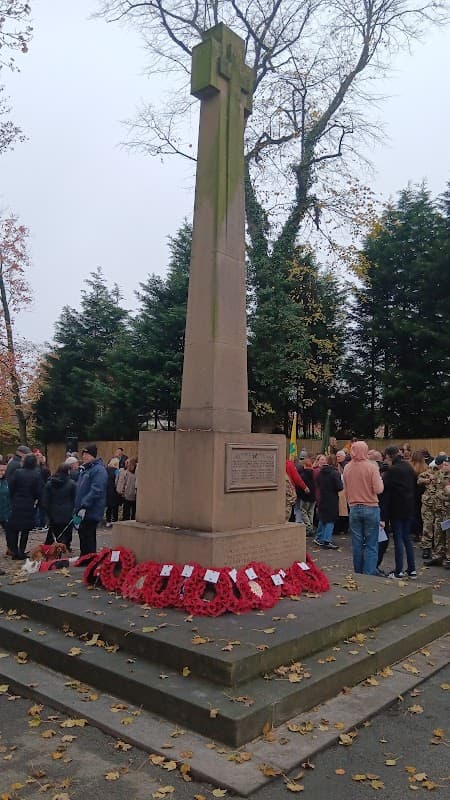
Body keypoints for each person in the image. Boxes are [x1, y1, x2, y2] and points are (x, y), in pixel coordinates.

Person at [342, 441, 384, 576]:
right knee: (372, 544)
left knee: (357, 544)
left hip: (354, 507)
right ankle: (369, 573)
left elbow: (346, 490)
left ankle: (358, 573)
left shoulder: (347, 468)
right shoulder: (371, 467)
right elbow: (378, 489)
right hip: (371, 507)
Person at [382, 445, 417, 579]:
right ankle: (412, 569)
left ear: (390, 456)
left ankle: (398, 570)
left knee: (398, 539)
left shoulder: (393, 471)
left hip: (397, 509)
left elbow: (384, 489)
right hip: (409, 507)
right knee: (407, 538)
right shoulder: (409, 467)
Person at [6, 453, 42, 560]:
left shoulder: (18, 473)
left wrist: (13, 497)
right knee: (25, 530)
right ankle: (21, 551)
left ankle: (15, 551)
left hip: (16, 503)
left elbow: (11, 487)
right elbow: (38, 491)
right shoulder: (36, 474)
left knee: (14, 528)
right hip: (28, 504)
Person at [73, 445, 108, 556]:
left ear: (93, 455)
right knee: (82, 534)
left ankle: (90, 558)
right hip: (81, 509)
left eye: (87, 454)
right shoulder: (85, 469)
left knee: (88, 535)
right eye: (83, 454)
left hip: (90, 510)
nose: (84, 456)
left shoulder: (98, 470)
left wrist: (85, 504)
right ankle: (84, 556)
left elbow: (96, 490)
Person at [420, 455, 450, 567]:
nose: (444, 467)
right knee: (438, 534)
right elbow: (422, 478)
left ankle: (448, 559)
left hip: (448, 511)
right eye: (444, 465)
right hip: (438, 510)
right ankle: (437, 557)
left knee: (448, 536)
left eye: (446, 465)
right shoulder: (439, 474)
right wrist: (427, 479)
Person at [42, 462, 77, 549]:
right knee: (66, 531)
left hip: (53, 511)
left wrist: (47, 512)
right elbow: (75, 498)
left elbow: (45, 500)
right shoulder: (72, 484)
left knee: (53, 530)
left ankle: (49, 546)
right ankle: (65, 546)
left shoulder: (49, 483)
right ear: (68, 471)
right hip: (67, 512)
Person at [313, 455, 342, 549]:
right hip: (332, 498)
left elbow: (317, 482)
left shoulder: (320, 473)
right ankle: (327, 540)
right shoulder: (334, 473)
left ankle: (318, 537)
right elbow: (339, 487)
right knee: (330, 519)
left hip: (322, 497)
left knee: (323, 518)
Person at [296, 457, 316, 536]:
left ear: (304, 465)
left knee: (304, 512)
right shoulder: (315, 474)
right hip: (313, 497)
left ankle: (309, 527)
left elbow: (299, 486)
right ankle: (310, 527)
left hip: (305, 497)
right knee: (311, 512)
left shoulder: (302, 475)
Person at [0, 463, 11, 563]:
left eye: (4, 470)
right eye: (0, 470)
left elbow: (9, 496)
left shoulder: (6, 482)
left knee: (8, 531)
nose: (2, 472)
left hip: (5, 511)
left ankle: (10, 548)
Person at [105, 457, 121, 528]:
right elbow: (117, 481)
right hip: (115, 491)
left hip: (107, 491)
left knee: (109, 507)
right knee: (115, 508)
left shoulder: (105, 470)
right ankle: (114, 521)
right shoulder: (117, 471)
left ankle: (108, 521)